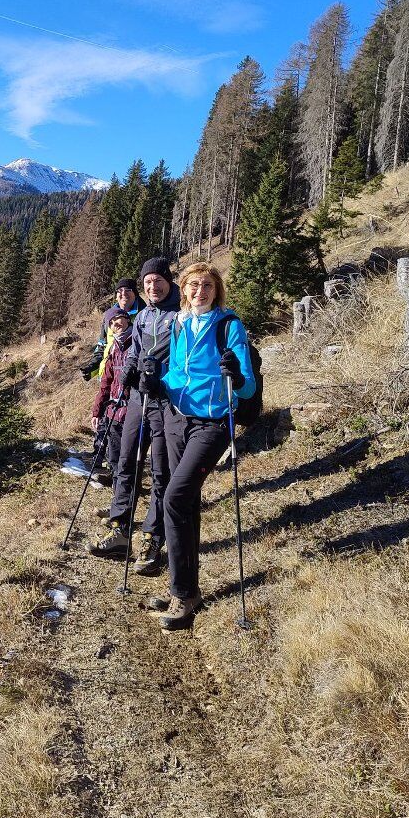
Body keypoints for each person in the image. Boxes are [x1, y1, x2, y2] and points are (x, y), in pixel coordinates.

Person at [148, 261, 255, 631]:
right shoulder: (179, 324)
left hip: (212, 422)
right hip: (178, 417)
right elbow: (175, 373)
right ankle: (186, 588)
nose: (199, 291)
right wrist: (154, 382)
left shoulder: (229, 325)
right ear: (184, 289)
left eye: (207, 285)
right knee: (186, 502)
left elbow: (247, 388)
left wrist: (237, 375)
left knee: (175, 498)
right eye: (193, 285)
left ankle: (182, 592)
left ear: (217, 289)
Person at [93, 257, 181, 567]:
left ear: (168, 282)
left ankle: (152, 535)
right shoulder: (142, 317)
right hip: (136, 399)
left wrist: (159, 374)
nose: (153, 286)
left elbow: (184, 359)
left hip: (166, 402)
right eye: (147, 283)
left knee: (160, 470)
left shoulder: (181, 315)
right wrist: (130, 370)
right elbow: (137, 352)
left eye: (158, 281)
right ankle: (120, 529)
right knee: (127, 461)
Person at [84, 307, 132, 554]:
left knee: (126, 466)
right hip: (113, 413)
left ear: (128, 320)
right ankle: (118, 508)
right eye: (112, 322)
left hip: (133, 414)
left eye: (120, 319)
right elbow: (105, 383)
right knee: (114, 463)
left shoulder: (137, 343)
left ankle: (123, 520)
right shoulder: (113, 348)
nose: (116, 324)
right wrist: (96, 411)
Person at [78, 279, 141, 382]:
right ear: (116, 296)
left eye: (128, 290)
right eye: (119, 291)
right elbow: (102, 347)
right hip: (109, 379)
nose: (123, 293)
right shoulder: (108, 318)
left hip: (133, 380)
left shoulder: (144, 316)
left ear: (135, 293)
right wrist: (92, 368)